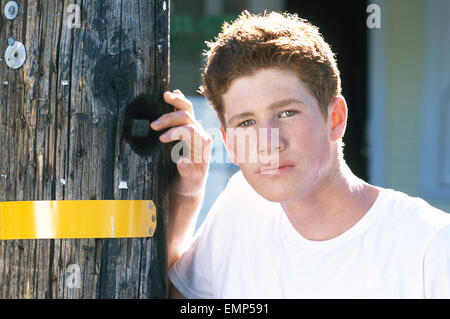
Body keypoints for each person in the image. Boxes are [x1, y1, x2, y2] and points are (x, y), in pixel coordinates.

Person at [151, 11, 450, 298]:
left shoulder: (431, 246)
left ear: (335, 119)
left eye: (287, 112)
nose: (268, 142)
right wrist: (188, 192)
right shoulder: (241, 207)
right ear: (228, 142)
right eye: (247, 122)